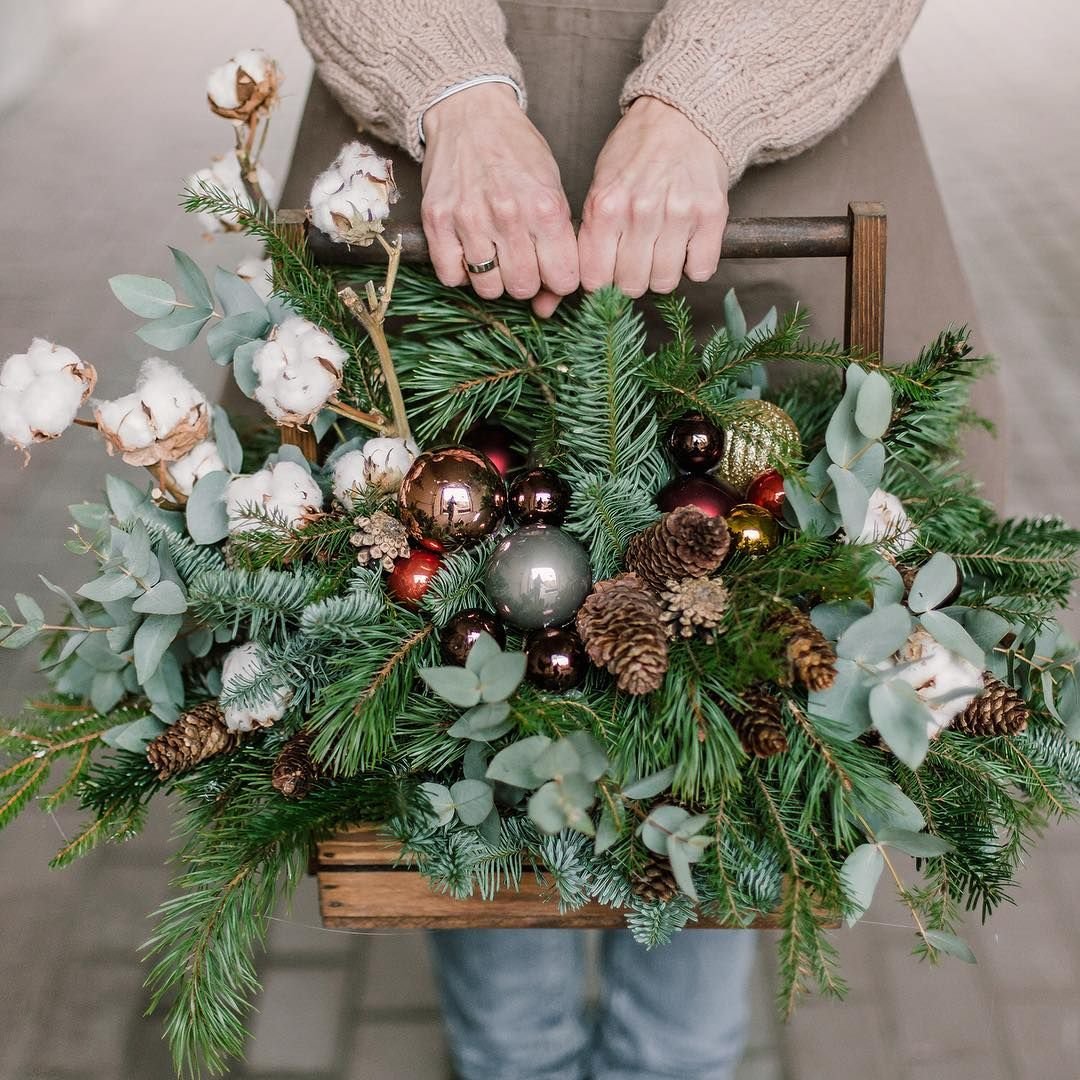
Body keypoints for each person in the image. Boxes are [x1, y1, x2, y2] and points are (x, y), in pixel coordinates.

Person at [282, 3, 1006, 1076]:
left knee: (771, 659)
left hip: (779, 165)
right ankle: (511, 1050)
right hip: (438, 175)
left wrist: (715, 88)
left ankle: (675, 1051)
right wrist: (448, 84)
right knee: (422, 630)